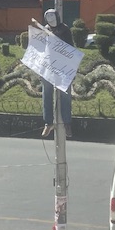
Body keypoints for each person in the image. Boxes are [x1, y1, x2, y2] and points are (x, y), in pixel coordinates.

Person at [41, 9, 73, 139]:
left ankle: (67, 123)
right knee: (46, 92)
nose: (50, 19)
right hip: (48, 65)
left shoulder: (64, 30)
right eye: (48, 17)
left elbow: (71, 48)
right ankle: (48, 122)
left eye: (52, 16)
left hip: (63, 66)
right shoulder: (45, 30)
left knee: (65, 94)